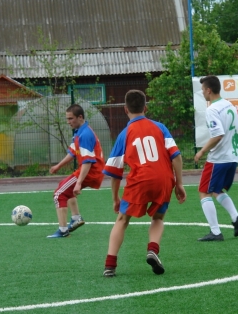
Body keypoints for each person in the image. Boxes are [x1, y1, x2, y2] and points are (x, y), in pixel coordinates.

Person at [101, 90, 186, 277]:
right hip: (164, 179)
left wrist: (115, 198)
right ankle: (152, 250)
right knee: (158, 218)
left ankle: (110, 265)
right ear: (145, 108)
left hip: (140, 179)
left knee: (122, 220)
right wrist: (179, 183)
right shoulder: (160, 127)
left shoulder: (124, 134)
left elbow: (115, 172)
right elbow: (176, 156)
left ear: (125, 109)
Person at [194, 75, 238, 241]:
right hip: (233, 156)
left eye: (203, 90)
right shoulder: (229, 105)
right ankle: (236, 218)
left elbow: (218, 135)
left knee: (204, 192)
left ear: (209, 90)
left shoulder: (212, 109)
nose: (202, 93)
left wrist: (201, 152)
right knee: (217, 190)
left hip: (219, 158)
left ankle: (215, 232)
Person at [47, 104, 104, 238]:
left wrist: (79, 182)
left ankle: (63, 230)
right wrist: (58, 166)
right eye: (67, 119)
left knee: (59, 194)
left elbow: (87, 161)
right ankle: (76, 218)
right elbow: (72, 152)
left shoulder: (85, 135)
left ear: (80, 117)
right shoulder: (79, 131)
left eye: (70, 118)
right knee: (63, 186)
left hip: (90, 171)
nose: (68, 122)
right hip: (89, 170)